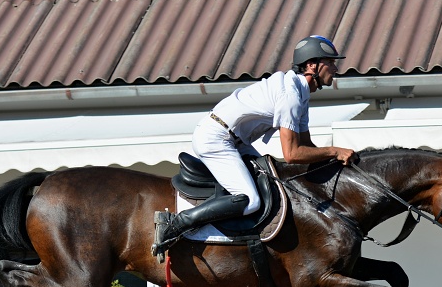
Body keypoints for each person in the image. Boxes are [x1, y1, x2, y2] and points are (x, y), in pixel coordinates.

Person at [152, 35, 358, 256]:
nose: (336, 69)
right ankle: (176, 224)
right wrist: (336, 150)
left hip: (235, 141)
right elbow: (293, 154)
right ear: (311, 65)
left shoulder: (301, 94)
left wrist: (333, 161)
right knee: (250, 200)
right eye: (331, 62)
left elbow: (307, 145)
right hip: (216, 138)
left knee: (274, 182)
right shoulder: (290, 95)